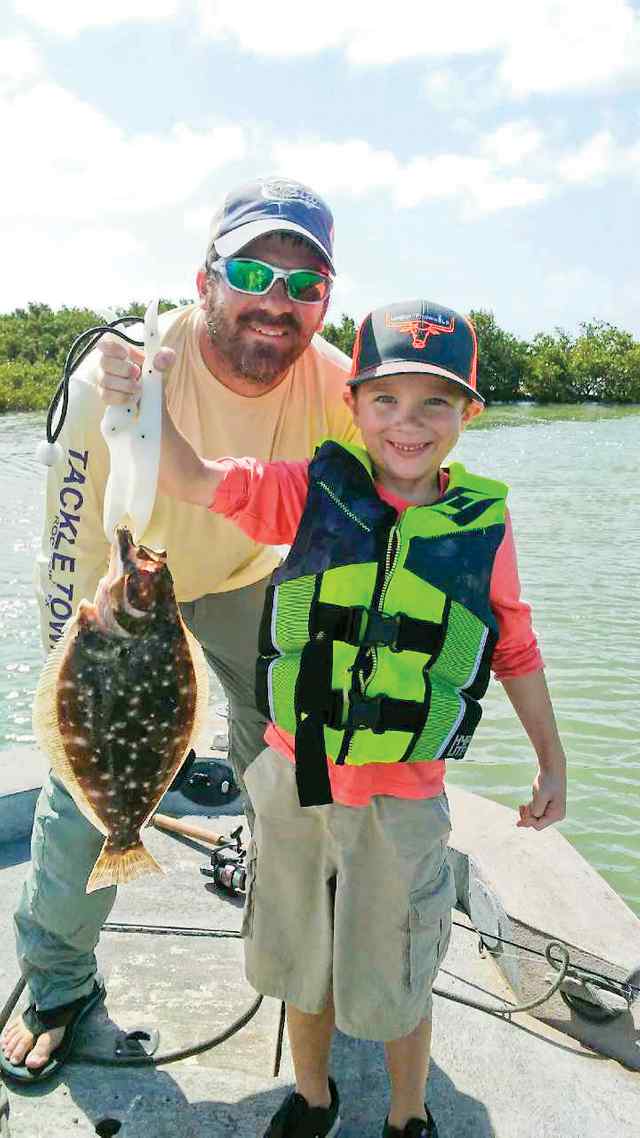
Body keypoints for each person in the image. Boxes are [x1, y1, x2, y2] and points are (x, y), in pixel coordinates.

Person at [99, 297, 567, 1137]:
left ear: (469, 413)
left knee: (399, 971)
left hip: (404, 798)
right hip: (293, 779)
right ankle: (313, 1097)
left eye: (435, 402)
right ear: (350, 404)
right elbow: (196, 478)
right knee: (297, 960)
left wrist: (552, 761)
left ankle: (407, 1114)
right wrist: (142, 403)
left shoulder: (483, 526)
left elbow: (515, 649)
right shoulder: (308, 491)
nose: (408, 424)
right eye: (385, 398)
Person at [0, 176, 359, 1084]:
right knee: (85, 791)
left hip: (248, 580)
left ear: (325, 300)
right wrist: (71, 682)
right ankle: (57, 982)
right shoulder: (117, 377)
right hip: (124, 593)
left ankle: (294, 950)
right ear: (204, 280)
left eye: (304, 284)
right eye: (252, 271)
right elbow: (68, 545)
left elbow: (382, 509)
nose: (277, 302)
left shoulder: (342, 388)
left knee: (287, 762)